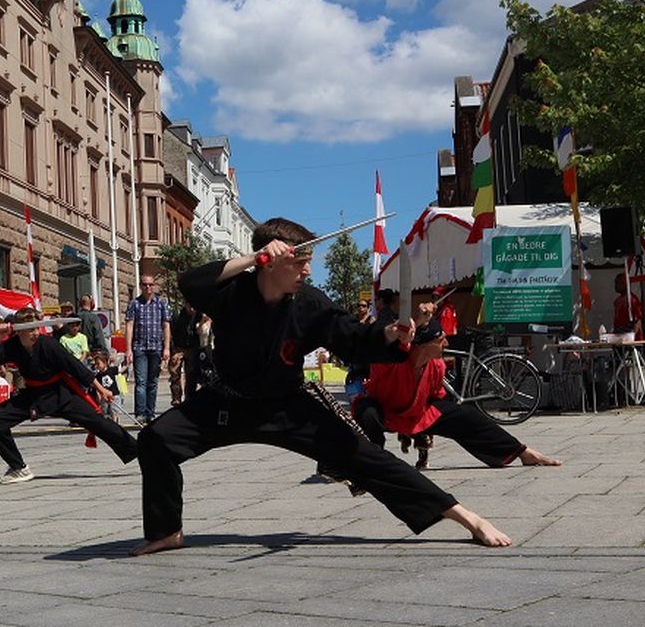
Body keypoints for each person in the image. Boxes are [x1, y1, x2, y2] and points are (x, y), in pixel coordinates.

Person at [132, 217, 512, 556]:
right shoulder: (232, 294)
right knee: (155, 440)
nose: (308, 271)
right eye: (300, 262)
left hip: (289, 405)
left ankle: (467, 518)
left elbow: (352, 337)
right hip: (227, 400)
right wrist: (252, 258)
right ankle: (167, 531)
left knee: (367, 457)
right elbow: (188, 281)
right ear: (271, 261)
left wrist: (389, 334)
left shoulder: (310, 303)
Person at [352, 303, 561, 470]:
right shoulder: (392, 359)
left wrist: (453, 416)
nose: (446, 345)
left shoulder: (437, 366)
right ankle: (372, 464)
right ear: (424, 344)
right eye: (441, 340)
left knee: (468, 417)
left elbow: (436, 398)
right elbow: (393, 340)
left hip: (416, 413)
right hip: (383, 411)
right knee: (366, 414)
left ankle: (521, 452)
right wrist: (418, 320)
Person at [0, 307, 137, 484]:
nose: (35, 333)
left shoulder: (49, 344)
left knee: (98, 422)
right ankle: (18, 467)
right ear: (19, 330)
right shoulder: (13, 345)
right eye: (30, 329)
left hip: (60, 393)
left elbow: (76, 368)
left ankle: (139, 451)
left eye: (36, 328)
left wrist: (102, 389)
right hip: (33, 395)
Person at [124, 275, 172, 423]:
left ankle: (150, 413)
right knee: (141, 382)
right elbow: (129, 326)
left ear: (154, 286)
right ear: (141, 286)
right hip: (140, 347)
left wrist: (167, 348)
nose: (148, 287)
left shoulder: (161, 303)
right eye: (145, 285)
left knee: (153, 382)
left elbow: (166, 326)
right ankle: (140, 413)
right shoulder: (134, 304)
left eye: (151, 285)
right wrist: (128, 349)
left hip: (156, 347)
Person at [169, 302, 202, 406]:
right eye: (189, 305)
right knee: (175, 374)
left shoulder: (199, 315)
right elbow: (171, 332)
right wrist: (172, 350)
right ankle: (176, 399)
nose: (191, 309)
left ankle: (190, 398)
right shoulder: (177, 314)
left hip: (193, 347)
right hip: (179, 347)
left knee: (191, 375)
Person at [90, 349, 123, 421]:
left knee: (114, 410)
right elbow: (97, 386)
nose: (97, 366)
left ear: (105, 363)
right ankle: (107, 422)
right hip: (104, 397)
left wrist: (127, 364)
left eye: (98, 364)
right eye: (96, 364)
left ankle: (115, 422)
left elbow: (120, 370)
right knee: (104, 410)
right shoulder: (98, 375)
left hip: (114, 394)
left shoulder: (111, 370)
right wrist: (98, 395)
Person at [612, 275, 644, 339]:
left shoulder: (632, 299)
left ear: (625, 284)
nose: (615, 286)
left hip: (630, 337)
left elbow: (637, 320)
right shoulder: (617, 301)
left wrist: (631, 337)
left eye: (618, 283)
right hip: (620, 336)